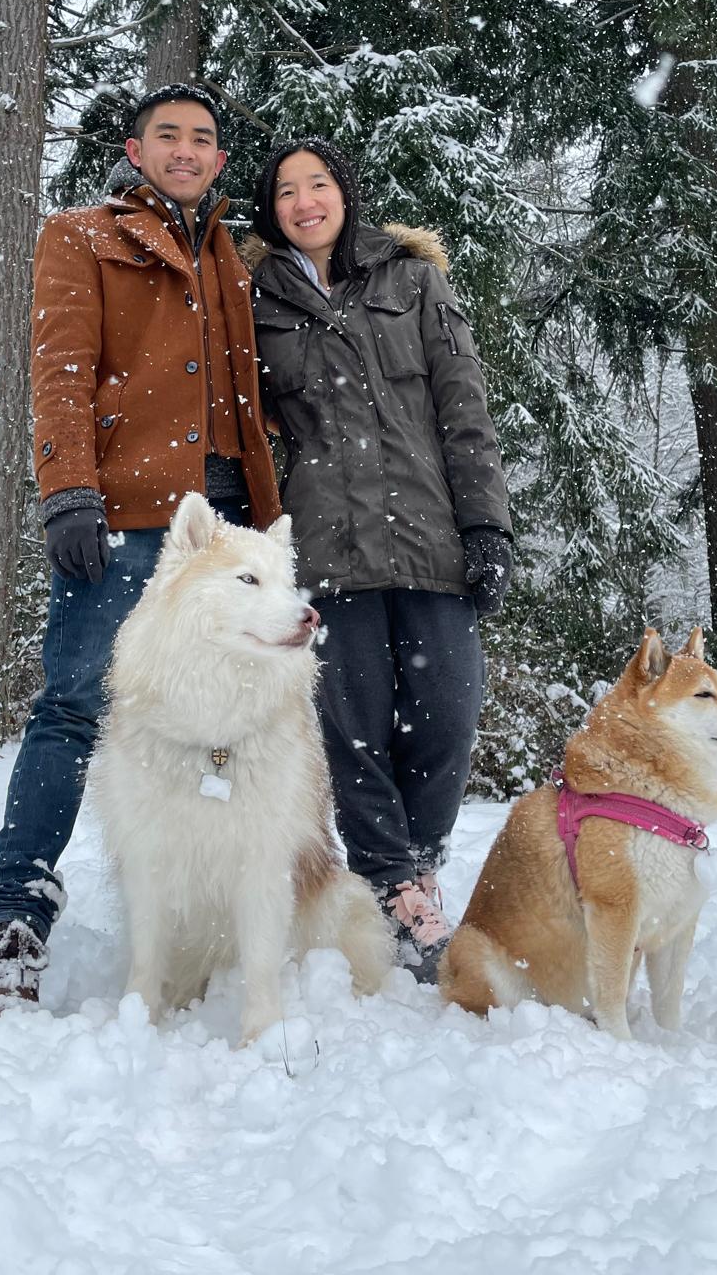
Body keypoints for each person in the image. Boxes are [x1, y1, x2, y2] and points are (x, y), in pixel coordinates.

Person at [0, 85, 281, 1014]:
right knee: (75, 703)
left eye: (204, 140)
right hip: (129, 518)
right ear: (134, 151)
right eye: (167, 136)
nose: (186, 150)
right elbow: (59, 367)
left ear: (220, 162)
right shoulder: (80, 234)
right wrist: (68, 491)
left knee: (238, 722)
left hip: (227, 525)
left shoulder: (228, 251)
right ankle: (15, 917)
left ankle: (222, 910)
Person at [245, 138, 513, 981]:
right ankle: (394, 887)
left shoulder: (413, 281)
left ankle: (419, 865)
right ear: (271, 210)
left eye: (317, 184)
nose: (304, 201)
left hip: (431, 540)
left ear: (345, 194)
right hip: (329, 548)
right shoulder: (256, 299)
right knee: (353, 731)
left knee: (446, 717)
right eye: (286, 191)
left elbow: (463, 410)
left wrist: (487, 527)